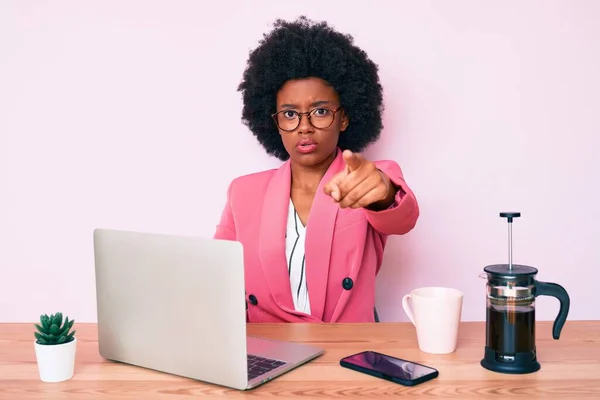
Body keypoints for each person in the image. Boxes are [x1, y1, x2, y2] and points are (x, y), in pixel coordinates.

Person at [214, 16, 419, 323]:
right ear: (274, 123)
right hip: (268, 350)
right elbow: (216, 276)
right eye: (289, 114)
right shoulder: (243, 192)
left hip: (346, 349)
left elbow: (402, 216)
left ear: (345, 117)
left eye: (320, 111)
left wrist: (382, 193)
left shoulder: (367, 177)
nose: (305, 127)